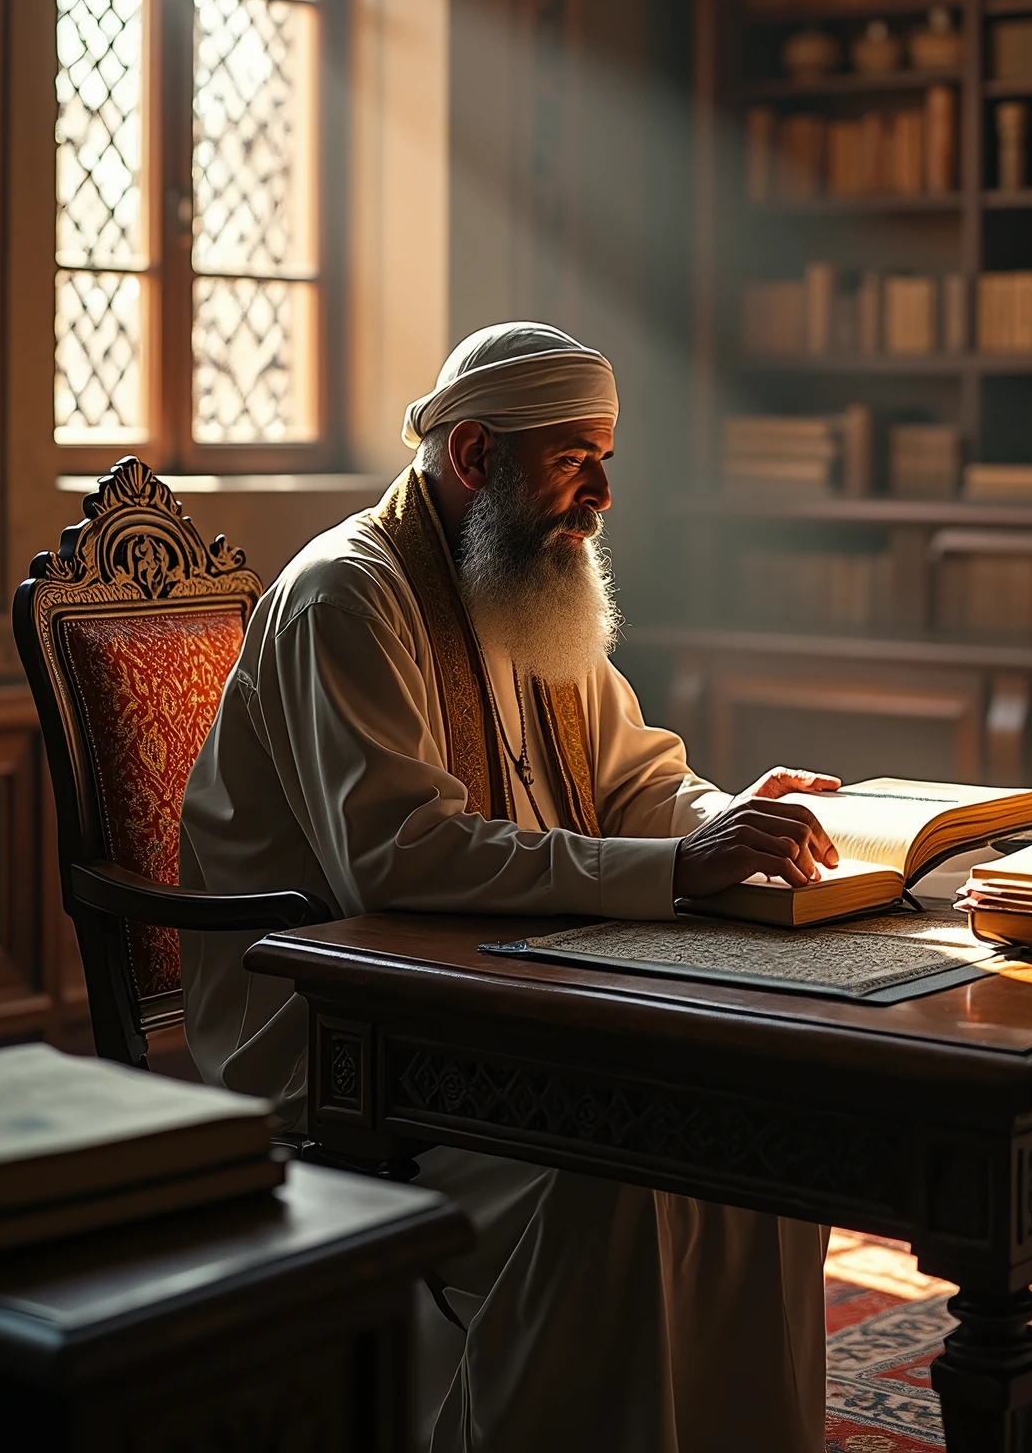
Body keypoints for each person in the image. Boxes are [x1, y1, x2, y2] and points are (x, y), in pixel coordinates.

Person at [181, 321, 842, 1453]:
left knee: (761, 1144)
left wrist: (724, 822)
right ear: (476, 455)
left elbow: (639, 779)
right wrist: (680, 867)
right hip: (338, 1029)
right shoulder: (351, 595)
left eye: (606, 458)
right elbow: (399, 858)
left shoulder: (531, 578)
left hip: (507, 1000)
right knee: (627, 1181)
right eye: (574, 456)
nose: (599, 495)